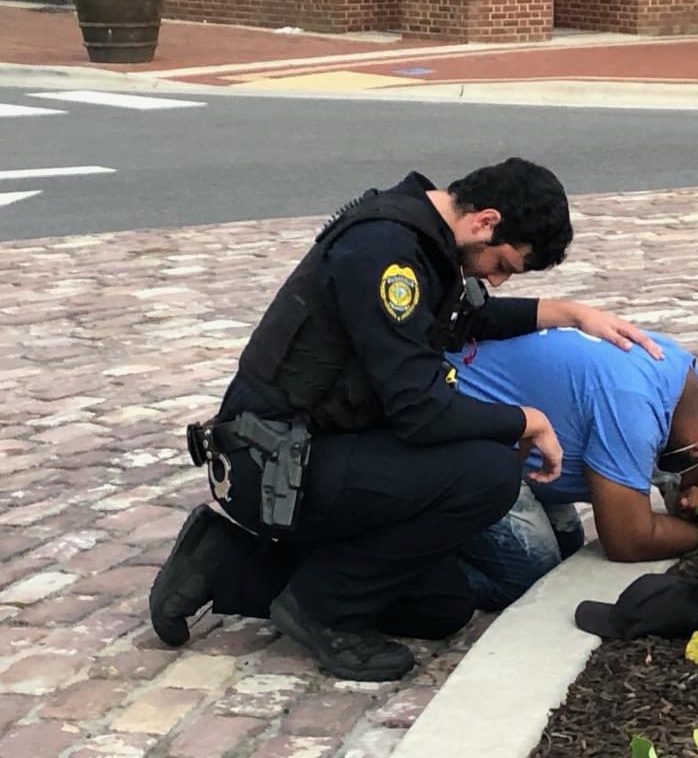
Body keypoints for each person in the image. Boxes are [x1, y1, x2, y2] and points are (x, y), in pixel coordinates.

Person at [148, 158, 661, 682]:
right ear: (485, 221)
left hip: (310, 452)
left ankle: (224, 561)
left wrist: (568, 312)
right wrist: (526, 420)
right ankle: (323, 610)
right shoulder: (384, 252)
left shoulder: (424, 242)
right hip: (272, 465)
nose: (497, 279)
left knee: (441, 606)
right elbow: (419, 411)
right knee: (487, 474)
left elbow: (461, 318)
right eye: (504, 264)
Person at [450, 327, 698, 610]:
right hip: (459, 440)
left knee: (567, 543)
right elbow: (628, 540)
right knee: (529, 572)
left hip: (510, 443)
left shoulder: (688, 388)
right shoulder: (634, 405)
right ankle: (412, 571)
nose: (688, 491)